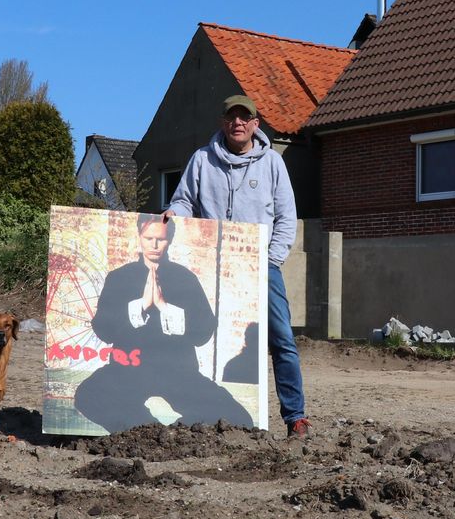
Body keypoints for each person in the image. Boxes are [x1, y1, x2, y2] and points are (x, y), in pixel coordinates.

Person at [164, 94, 312, 438]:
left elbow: (286, 217)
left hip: (262, 266)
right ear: (223, 122)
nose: (238, 123)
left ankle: (296, 417)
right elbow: (184, 200)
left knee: (282, 340)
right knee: (208, 338)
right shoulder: (201, 160)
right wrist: (176, 213)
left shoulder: (273, 162)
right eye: (231, 117)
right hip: (211, 266)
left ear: (255, 124)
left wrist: (270, 260)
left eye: (244, 118)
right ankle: (207, 414)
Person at [73, 213, 255, 432]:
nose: (155, 244)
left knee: (239, 417)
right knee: (88, 395)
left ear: (170, 239)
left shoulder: (185, 278)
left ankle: (180, 432)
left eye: (161, 238)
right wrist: (140, 305)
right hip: (128, 369)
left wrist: (164, 307)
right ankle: (148, 431)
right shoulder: (119, 277)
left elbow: (203, 332)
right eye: (149, 238)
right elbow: (103, 329)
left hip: (178, 371)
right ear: (139, 236)